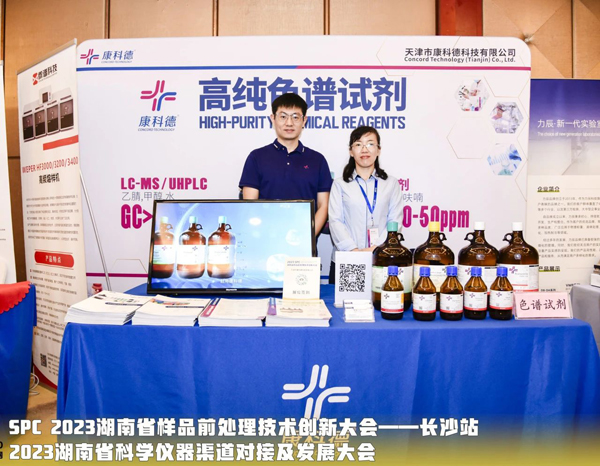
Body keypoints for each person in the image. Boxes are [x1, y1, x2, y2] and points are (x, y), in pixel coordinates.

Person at [239, 93, 332, 236]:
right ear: (273, 118)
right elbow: (249, 205)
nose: (289, 123)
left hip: (305, 242)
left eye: (295, 117)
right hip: (265, 239)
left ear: (304, 120)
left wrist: (306, 238)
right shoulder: (256, 157)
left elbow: (323, 206)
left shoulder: (317, 160)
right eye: (283, 116)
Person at [328, 126, 403, 283]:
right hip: (347, 259)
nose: (364, 149)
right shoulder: (340, 184)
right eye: (358, 144)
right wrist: (354, 251)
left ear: (378, 150)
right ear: (351, 151)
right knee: (343, 299)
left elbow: (394, 221)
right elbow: (335, 221)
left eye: (370, 144)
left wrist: (376, 249)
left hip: (380, 259)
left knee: (381, 297)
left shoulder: (391, 184)